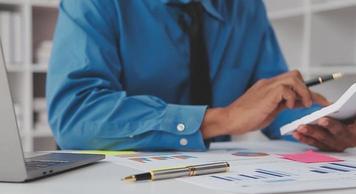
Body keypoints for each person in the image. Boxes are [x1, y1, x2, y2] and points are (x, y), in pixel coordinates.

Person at [47, 0, 356, 152]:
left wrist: (327, 122)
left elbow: (276, 99)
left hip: (215, 179)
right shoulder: (96, 3)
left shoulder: (245, 7)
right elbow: (76, 116)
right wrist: (223, 119)